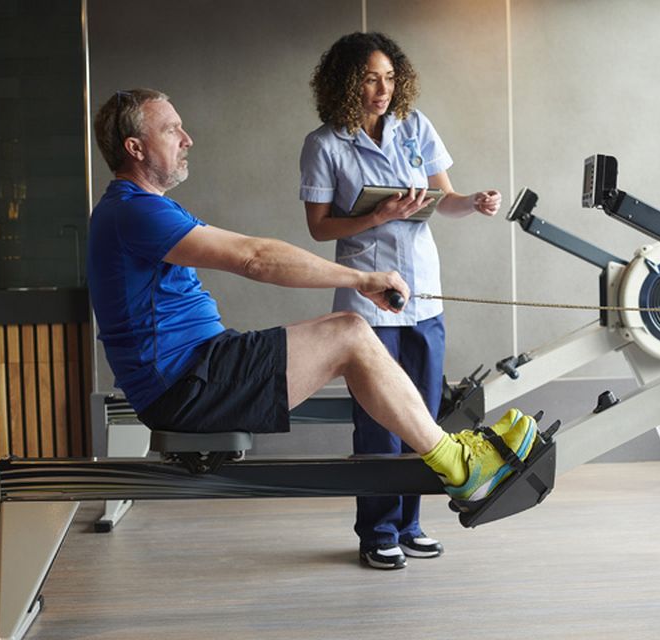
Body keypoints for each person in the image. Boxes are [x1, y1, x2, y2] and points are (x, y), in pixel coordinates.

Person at [86, 89, 538, 555]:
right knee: (349, 332)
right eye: (170, 129)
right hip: (188, 385)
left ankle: (454, 455)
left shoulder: (140, 207)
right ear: (134, 148)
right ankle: (463, 469)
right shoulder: (132, 212)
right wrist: (362, 278)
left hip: (201, 368)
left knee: (349, 334)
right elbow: (255, 259)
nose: (187, 138)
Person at [300, 32, 503, 569]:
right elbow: (320, 229)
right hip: (368, 298)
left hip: (424, 294)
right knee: (377, 421)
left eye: (389, 77)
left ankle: (410, 524)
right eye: (369, 77)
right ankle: (377, 530)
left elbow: (446, 200)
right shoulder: (325, 145)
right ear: (346, 81)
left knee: (426, 415)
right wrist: (377, 216)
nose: (382, 88)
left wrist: (474, 202)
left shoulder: (417, 127)